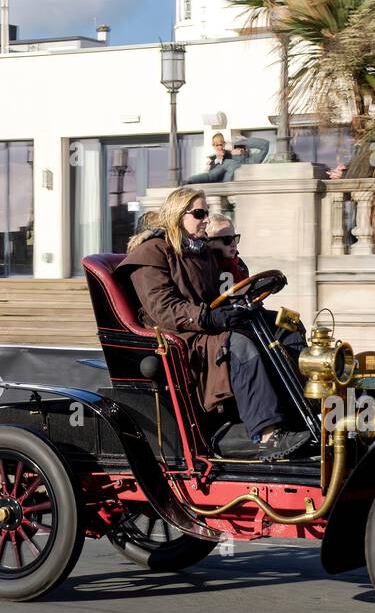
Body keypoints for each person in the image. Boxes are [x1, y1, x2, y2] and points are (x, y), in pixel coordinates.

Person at [116, 187, 311, 462]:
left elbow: (220, 294)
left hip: (206, 328)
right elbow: (163, 310)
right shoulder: (152, 253)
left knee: (282, 326)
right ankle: (268, 436)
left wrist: (242, 303)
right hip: (180, 339)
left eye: (206, 212)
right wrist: (210, 317)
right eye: (199, 213)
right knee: (240, 344)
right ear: (177, 215)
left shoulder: (202, 253)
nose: (206, 218)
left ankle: (305, 411)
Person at [183, 136, 270, 184]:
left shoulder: (250, 161)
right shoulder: (224, 159)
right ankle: (190, 180)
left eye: (242, 148)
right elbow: (211, 175)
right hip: (223, 192)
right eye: (236, 147)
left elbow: (265, 145)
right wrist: (191, 180)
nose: (239, 149)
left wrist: (243, 142)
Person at [206, 211, 250, 289]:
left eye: (235, 238)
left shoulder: (239, 264)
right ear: (209, 242)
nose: (233, 244)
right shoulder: (205, 266)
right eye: (227, 239)